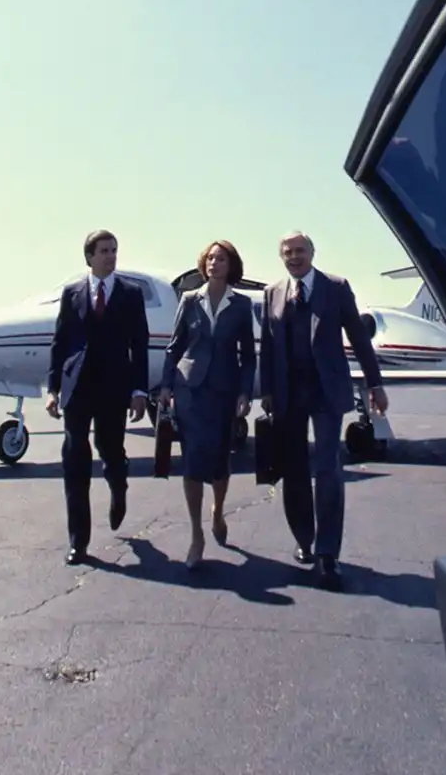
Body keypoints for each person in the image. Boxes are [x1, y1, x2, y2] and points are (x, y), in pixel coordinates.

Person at [257, 231, 387, 589]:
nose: (295, 257)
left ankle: (328, 552)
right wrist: (266, 390)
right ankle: (304, 539)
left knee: (328, 466)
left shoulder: (336, 287)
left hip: (326, 391)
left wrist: (374, 384)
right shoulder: (273, 293)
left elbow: (359, 339)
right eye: (288, 252)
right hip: (288, 392)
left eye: (300, 251)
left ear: (312, 253)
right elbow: (268, 346)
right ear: (281, 256)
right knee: (294, 468)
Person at [46, 229, 151, 565]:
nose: (111, 256)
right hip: (77, 387)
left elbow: (140, 344)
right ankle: (79, 542)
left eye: (114, 250)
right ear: (89, 256)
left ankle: (119, 487)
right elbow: (60, 342)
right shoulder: (72, 293)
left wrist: (139, 390)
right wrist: (52, 389)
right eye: (104, 250)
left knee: (110, 450)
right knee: (75, 460)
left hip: (113, 387)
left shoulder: (130, 294)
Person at [155, 240, 257, 570]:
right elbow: (174, 347)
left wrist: (244, 391)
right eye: (210, 258)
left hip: (224, 392)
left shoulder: (240, 306)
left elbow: (248, 355)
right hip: (190, 391)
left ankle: (218, 509)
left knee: (220, 461)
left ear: (231, 265)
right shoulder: (189, 300)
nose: (214, 263)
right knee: (192, 461)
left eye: (221, 258)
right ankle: (196, 535)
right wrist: (167, 385)